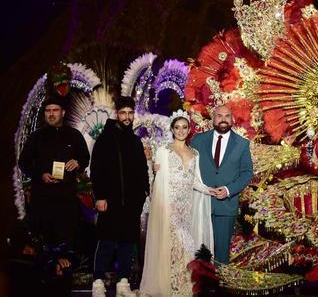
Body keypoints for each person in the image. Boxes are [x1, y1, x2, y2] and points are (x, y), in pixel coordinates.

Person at [17, 96, 89, 295]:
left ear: (63, 113)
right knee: (44, 249)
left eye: (55, 110)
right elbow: (23, 162)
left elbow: (85, 157)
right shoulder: (36, 137)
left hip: (66, 203)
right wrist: (39, 174)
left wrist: (78, 162)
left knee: (66, 249)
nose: (51, 114)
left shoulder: (74, 135)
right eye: (48, 110)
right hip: (42, 202)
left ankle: (64, 289)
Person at [140, 110, 213, 296]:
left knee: (186, 245)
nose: (181, 131)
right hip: (168, 206)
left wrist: (209, 190)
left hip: (188, 207)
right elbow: (157, 181)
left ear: (189, 130)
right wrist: (165, 206)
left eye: (184, 127)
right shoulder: (163, 151)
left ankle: (183, 284)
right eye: (177, 127)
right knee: (169, 244)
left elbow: (195, 181)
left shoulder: (195, 154)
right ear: (172, 129)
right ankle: (167, 285)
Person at [90, 96, 149, 297]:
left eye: (130, 113)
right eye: (123, 113)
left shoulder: (135, 141)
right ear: (117, 114)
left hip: (131, 203)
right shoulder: (105, 139)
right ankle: (98, 282)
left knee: (127, 242)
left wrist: (143, 193)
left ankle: (123, 283)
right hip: (109, 201)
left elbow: (142, 170)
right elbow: (96, 169)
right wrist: (99, 196)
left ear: (133, 114)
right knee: (106, 241)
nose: (126, 117)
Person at [190, 105, 253, 265]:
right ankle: (199, 287)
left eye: (227, 116)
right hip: (200, 204)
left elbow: (247, 173)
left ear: (232, 119)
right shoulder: (197, 140)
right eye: (219, 116)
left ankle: (219, 288)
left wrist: (228, 189)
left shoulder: (242, 144)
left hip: (225, 206)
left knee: (221, 255)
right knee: (198, 251)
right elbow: (185, 164)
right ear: (213, 119)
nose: (223, 119)